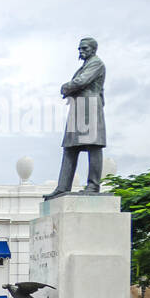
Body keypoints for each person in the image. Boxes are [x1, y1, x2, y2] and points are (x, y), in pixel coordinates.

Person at [44, 37, 106, 200]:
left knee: (94, 145)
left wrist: (65, 87)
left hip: (90, 107)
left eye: (84, 48)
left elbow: (81, 81)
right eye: (79, 49)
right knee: (70, 147)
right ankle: (63, 187)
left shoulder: (96, 63)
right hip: (78, 107)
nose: (81, 51)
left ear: (93, 49)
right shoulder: (84, 65)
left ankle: (93, 185)